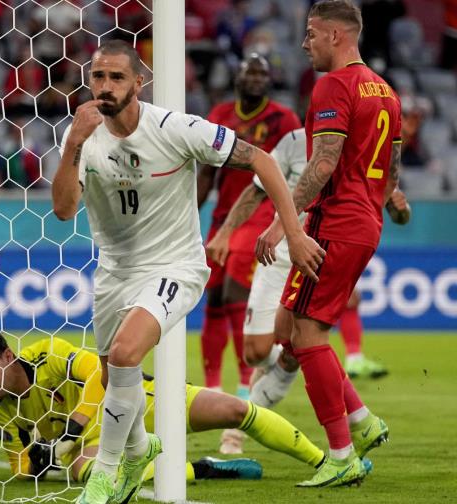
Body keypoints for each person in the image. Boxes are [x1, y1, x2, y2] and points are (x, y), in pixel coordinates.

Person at [51, 39, 323, 503]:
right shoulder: (80, 135)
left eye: (117, 77)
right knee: (117, 372)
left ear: (140, 82)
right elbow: (63, 210)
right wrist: (74, 142)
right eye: (98, 77)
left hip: (176, 265)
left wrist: (293, 233)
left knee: (123, 353)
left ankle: (104, 477)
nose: (105, 87)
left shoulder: (176, 128)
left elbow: (260, 159)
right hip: (114, 271)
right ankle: (138, 450)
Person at [253, 0, 402, 487]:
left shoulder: (334, 85)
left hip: (335, 222)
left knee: (308, 336)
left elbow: (322, 163)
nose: (305, 43)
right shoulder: (387, 92)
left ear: (336, 35)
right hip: (363, 221)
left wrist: (283, 223)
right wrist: (387, 202)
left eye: (312, 34)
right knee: (294, 327)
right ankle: (361, 422)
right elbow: (392, 169)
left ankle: (341, 454)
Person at [207, 129, 410, 444]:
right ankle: (348, 408)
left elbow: (394, 210)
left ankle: (236, 432)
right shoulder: (292, 141)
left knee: (300, 344)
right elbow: (256, 190)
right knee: (257, 352)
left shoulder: (362, 146)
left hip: (319, 256)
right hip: (278, 253)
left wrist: (399, 208)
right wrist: (225, 232)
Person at [0, 330, 340, 484]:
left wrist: (70, 430)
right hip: (96, 437)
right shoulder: (0, 411)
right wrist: (38, 461)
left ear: (8, 355)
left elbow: (99, 374)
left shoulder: (48, 354)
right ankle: (202, 469)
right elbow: (17, 466)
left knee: (235, 411)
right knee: (86, 473)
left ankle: (328, 462)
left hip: (137, 399)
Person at [196, 54, 302, 408]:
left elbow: (297, 169)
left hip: (262, 218)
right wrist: (188, 215)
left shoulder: (284, 120)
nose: (255, 78)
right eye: (249, 73)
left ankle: (245, 382)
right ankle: (213, 385)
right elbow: (207, 174)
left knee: (233, 295)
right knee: (212, 299)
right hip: (223, 218)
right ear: (237, 79)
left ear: (270, 81)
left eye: (262, 73)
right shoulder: (220, 116)